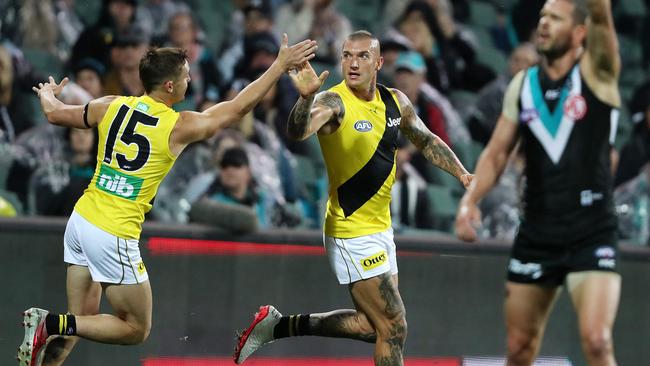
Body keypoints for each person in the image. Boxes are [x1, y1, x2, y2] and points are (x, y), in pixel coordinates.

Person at [17, 34, 318, 366]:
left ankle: (49, 333)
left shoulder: (111, 104)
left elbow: (56, 114)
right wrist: (278, 65)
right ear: (171, 87)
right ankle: (50, 323)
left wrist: (46, 94)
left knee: (81, 323)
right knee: (135, 328)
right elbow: (237, 108)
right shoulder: (178, 125)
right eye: (186, 76)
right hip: (113, 232)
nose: (190, 80)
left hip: (81, 221)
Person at [233, 30, 472, 366]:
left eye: (362, 56)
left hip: (381, 228)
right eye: (347, 55)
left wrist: (463, 174)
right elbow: (298, 132)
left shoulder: (396, 101)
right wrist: (304, 99)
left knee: (371, 327)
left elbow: (427, 140)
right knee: (394, 326)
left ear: (379, 62)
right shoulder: (333, 102)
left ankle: (277, 326)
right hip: (351, 230)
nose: (353, 63)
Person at [455, 0, 622, 365]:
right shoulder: (523, 85)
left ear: (580, 33)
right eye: (543, 16)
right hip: (538, 231)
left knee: (596, 340)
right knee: (519, 349)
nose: (543, 24)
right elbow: (497, 153)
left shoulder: (598, 73)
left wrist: (600, 10)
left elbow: (601, 21)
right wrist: (470, 201)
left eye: (556, 18)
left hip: (591, 229)